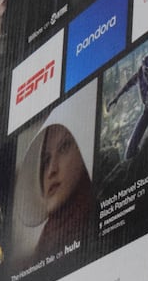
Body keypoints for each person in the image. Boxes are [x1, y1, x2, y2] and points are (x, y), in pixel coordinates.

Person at [13, 96, 98, 267]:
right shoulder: (45, 244)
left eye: (64, 147)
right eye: (45, 161)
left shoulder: (96, 216)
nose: (51, 170)